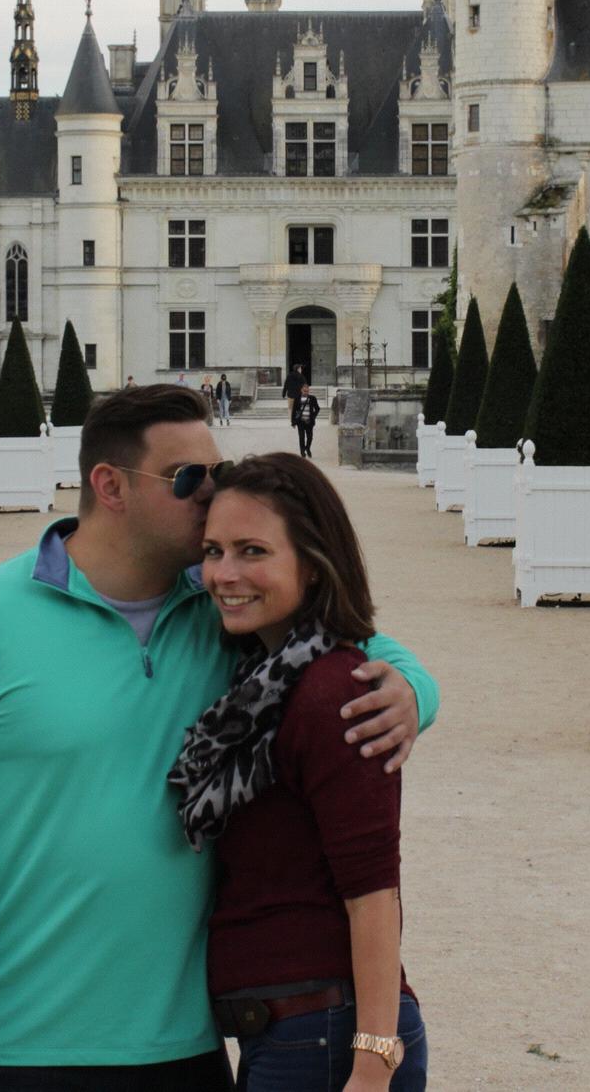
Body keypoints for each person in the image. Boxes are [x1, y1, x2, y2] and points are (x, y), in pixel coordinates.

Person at [0, 386, 440, 1089]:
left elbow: (351, 641)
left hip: (180, 1043)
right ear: (109, 486)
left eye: (216, 475)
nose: (212, 498)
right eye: (189, 480)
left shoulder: (222, 609)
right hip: (9, 1037)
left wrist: (414, 688)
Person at [171, 454, 429, 1091]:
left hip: (329, 1040)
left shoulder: (333, 692)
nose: (224, 574)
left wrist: (372, 1064)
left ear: (313, 565)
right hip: (293, 1032)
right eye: (213, 550)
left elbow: (373, 894)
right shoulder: (260, 685)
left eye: (253, 550)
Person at [293, 384, 320, 460]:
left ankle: (307, 448)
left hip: (309, 422)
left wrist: (313, 416)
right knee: (301, 437)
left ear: (309, 391)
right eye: (304, 391)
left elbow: (317, 408)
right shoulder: (297, 398)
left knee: (310, 437)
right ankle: (302, 451)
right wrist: (293, 422)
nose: (306, 392)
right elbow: (294, 411)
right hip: (300, 422)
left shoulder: (312, 398)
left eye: (307, 391)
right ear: (301, 390)